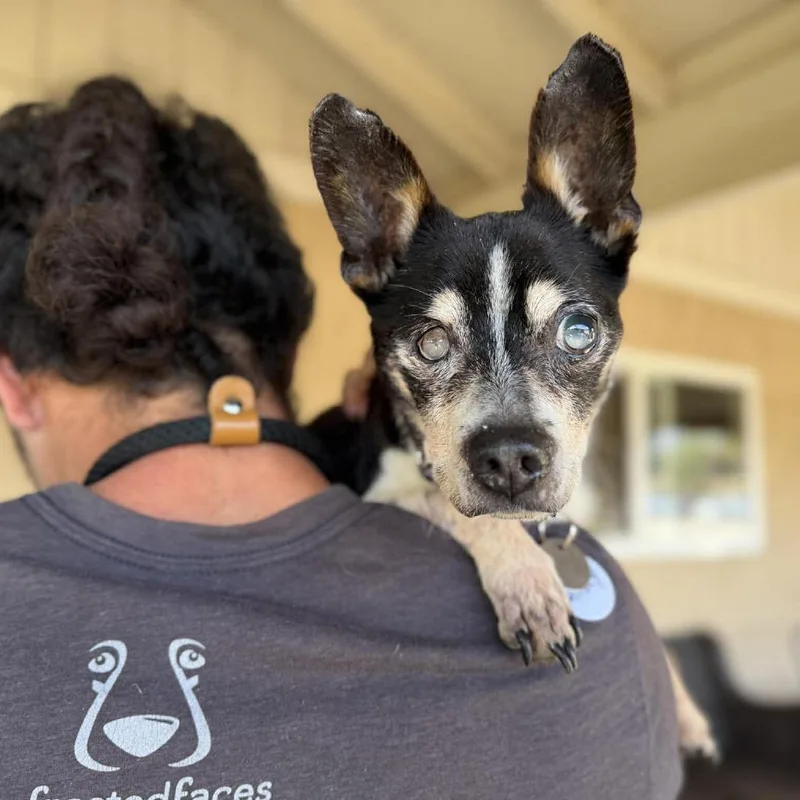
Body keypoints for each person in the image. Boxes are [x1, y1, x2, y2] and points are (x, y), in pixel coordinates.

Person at [0, 77, 682, 799]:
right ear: (291, 347)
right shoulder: (600, 615)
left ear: (12, 386)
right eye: (432, 345)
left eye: (573, 332)